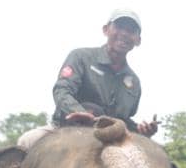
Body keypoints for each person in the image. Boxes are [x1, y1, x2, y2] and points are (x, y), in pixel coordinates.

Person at [18, 10, 157, 149]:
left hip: (110, 138)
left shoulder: (134, 82)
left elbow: (124, 119)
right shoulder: (81, 56)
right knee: (26, 141)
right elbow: (62, 90)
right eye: (119, 27)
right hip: (65, 127)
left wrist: (141, 129)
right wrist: (79, 112)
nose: (124, 33)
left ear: (138, 40)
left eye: (131, 30)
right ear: (105, 30)